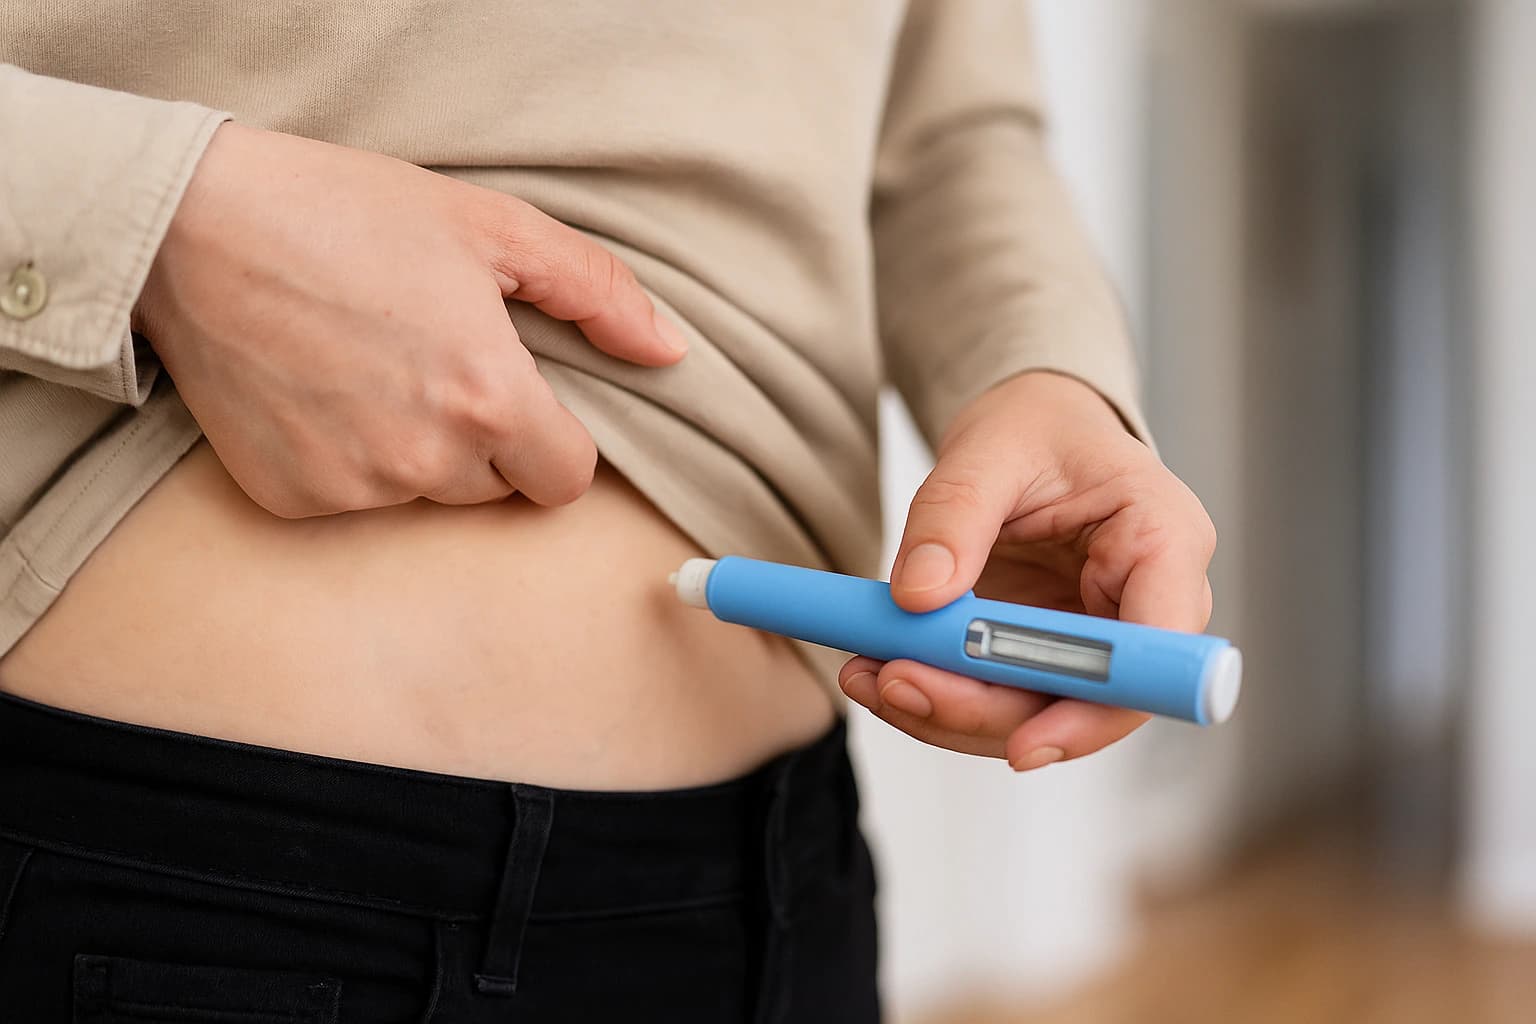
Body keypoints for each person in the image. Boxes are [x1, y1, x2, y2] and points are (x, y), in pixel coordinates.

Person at [0, 2, 1217, 1020]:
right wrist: (161, 224)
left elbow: (947, 133)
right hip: (179, 867)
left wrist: (1044, 372)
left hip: (776, 887)